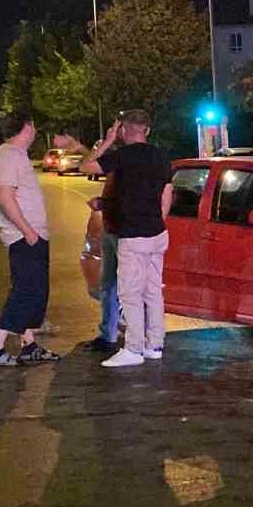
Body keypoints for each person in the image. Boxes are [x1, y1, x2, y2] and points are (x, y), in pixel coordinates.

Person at [74, 111, 174, 367]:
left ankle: (133, 349)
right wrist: (158, 221)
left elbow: (85, 166)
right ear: (147, 130)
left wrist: (107, 141)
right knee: (153, 291)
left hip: (133, 234)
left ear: (123, 130)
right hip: (157, 233)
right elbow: (167, 193)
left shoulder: (122, 156)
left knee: (130, 293)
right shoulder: (161, 156)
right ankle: (155, 345)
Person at [0, 113, 64, 366]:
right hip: (24, 236)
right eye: (33, 127)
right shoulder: (10, 155)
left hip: (28, 234)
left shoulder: (13, 154)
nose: (35, 131)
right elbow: (5, 197)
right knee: (25, 291)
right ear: (27, 128)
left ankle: (28, 346)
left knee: (33, 291)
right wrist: (28, 232)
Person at [79, 176, 122, 354]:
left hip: (126, 231)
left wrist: (102, 204)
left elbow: (132, 198)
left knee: (134, 288)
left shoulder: (132, 167)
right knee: (108, 284)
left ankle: (140, 341)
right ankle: (108, 334)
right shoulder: (115, 170)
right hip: (111, 228)